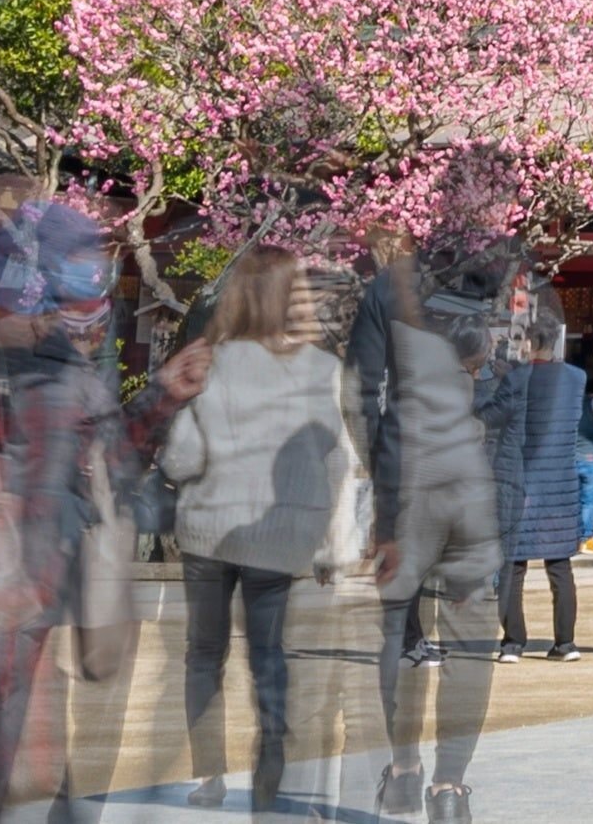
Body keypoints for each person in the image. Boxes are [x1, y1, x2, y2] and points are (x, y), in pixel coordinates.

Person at [164, 243, 351, 814]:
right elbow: (336, 459)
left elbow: (180, 459)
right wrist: (332, 546)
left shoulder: (210, 359)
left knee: (204, 655)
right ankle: (270, 778)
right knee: (269, 657)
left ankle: (209, 776)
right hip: (277, 534)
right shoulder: (323, 368)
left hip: (207, 531)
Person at [348, 232, 503, 824]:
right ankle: (450, 786)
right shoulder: (487, 288)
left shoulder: (384, 290)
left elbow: (358, 392)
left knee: (392, 632)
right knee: (469, 636)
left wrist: (376, 465)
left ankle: (404, 770)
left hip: (403, 477)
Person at [483, 314, 593, 661]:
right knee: (559, 566)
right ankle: (565, 644)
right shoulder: (577, 378)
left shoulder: (517, 379)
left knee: (513, 568)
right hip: (561, 484)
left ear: (529, 343)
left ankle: (513, 642)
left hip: (521, 482)